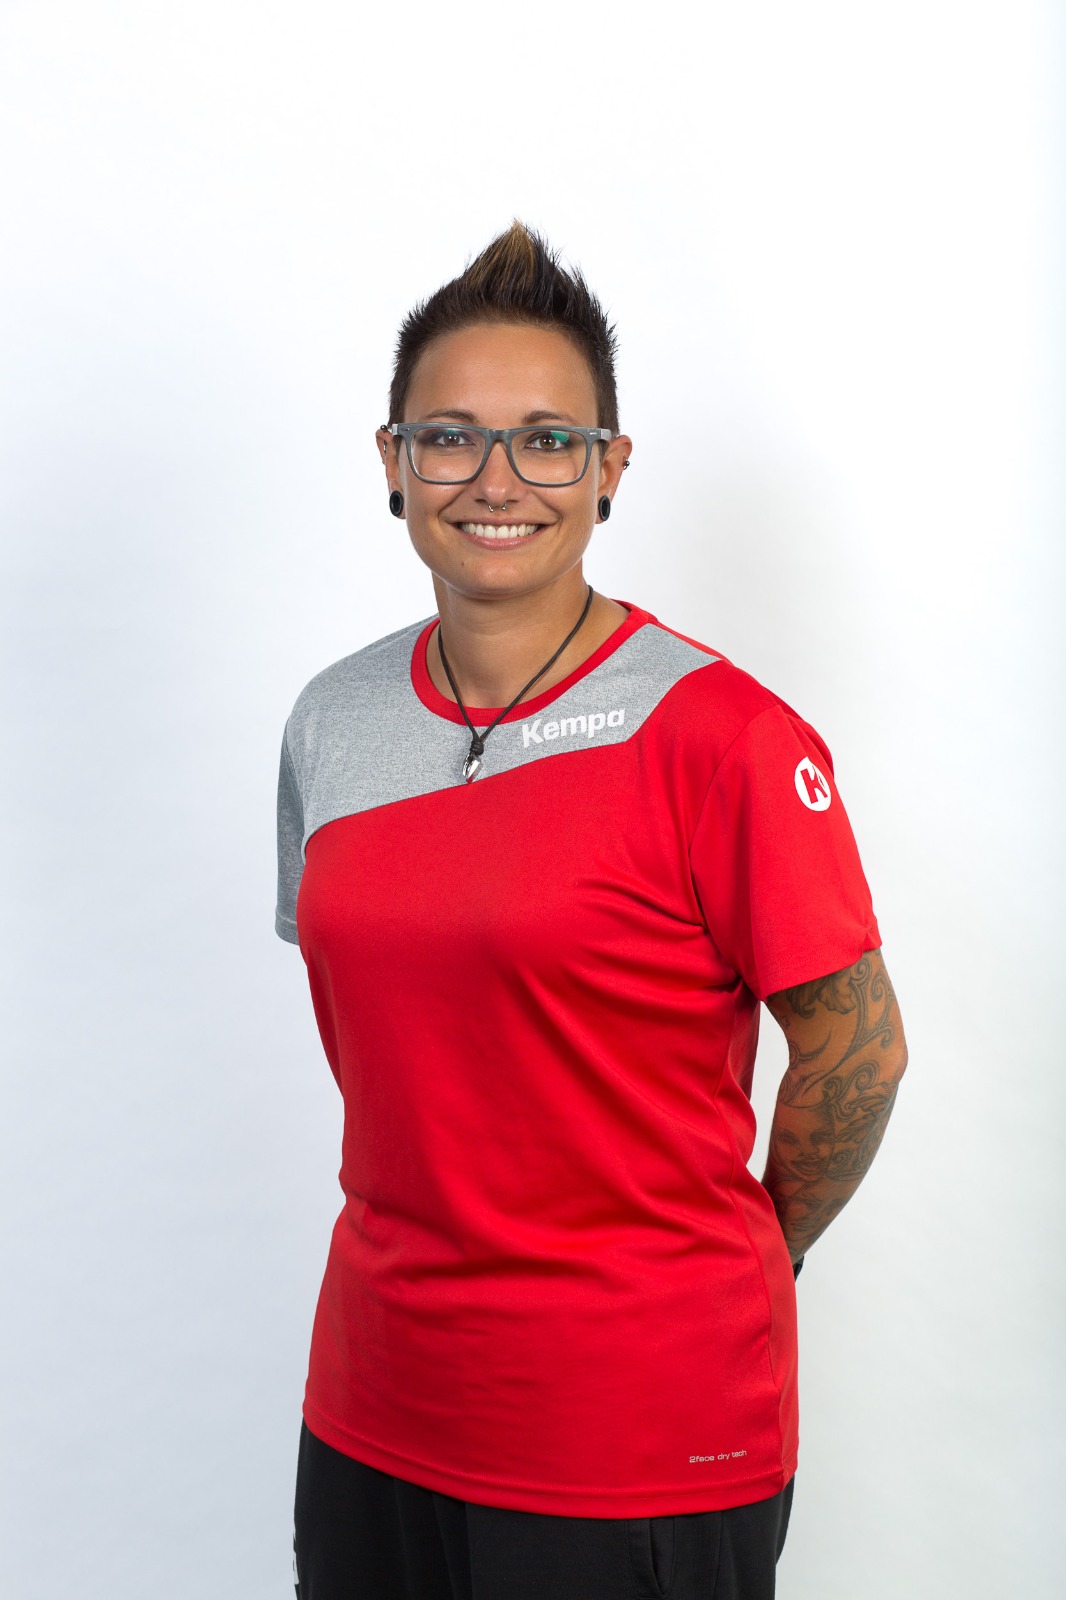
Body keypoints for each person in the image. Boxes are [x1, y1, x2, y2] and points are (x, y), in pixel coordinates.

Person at [276, 221, 908, 1600]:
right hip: (375, 1403)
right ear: (392, 463)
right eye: (450, 437)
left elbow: (858, 1053)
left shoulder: (724, 738)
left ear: (609, 469)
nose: (496, 479)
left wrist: (745, 1253)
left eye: (547, 440)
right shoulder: (331, 720)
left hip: (636, 1425)